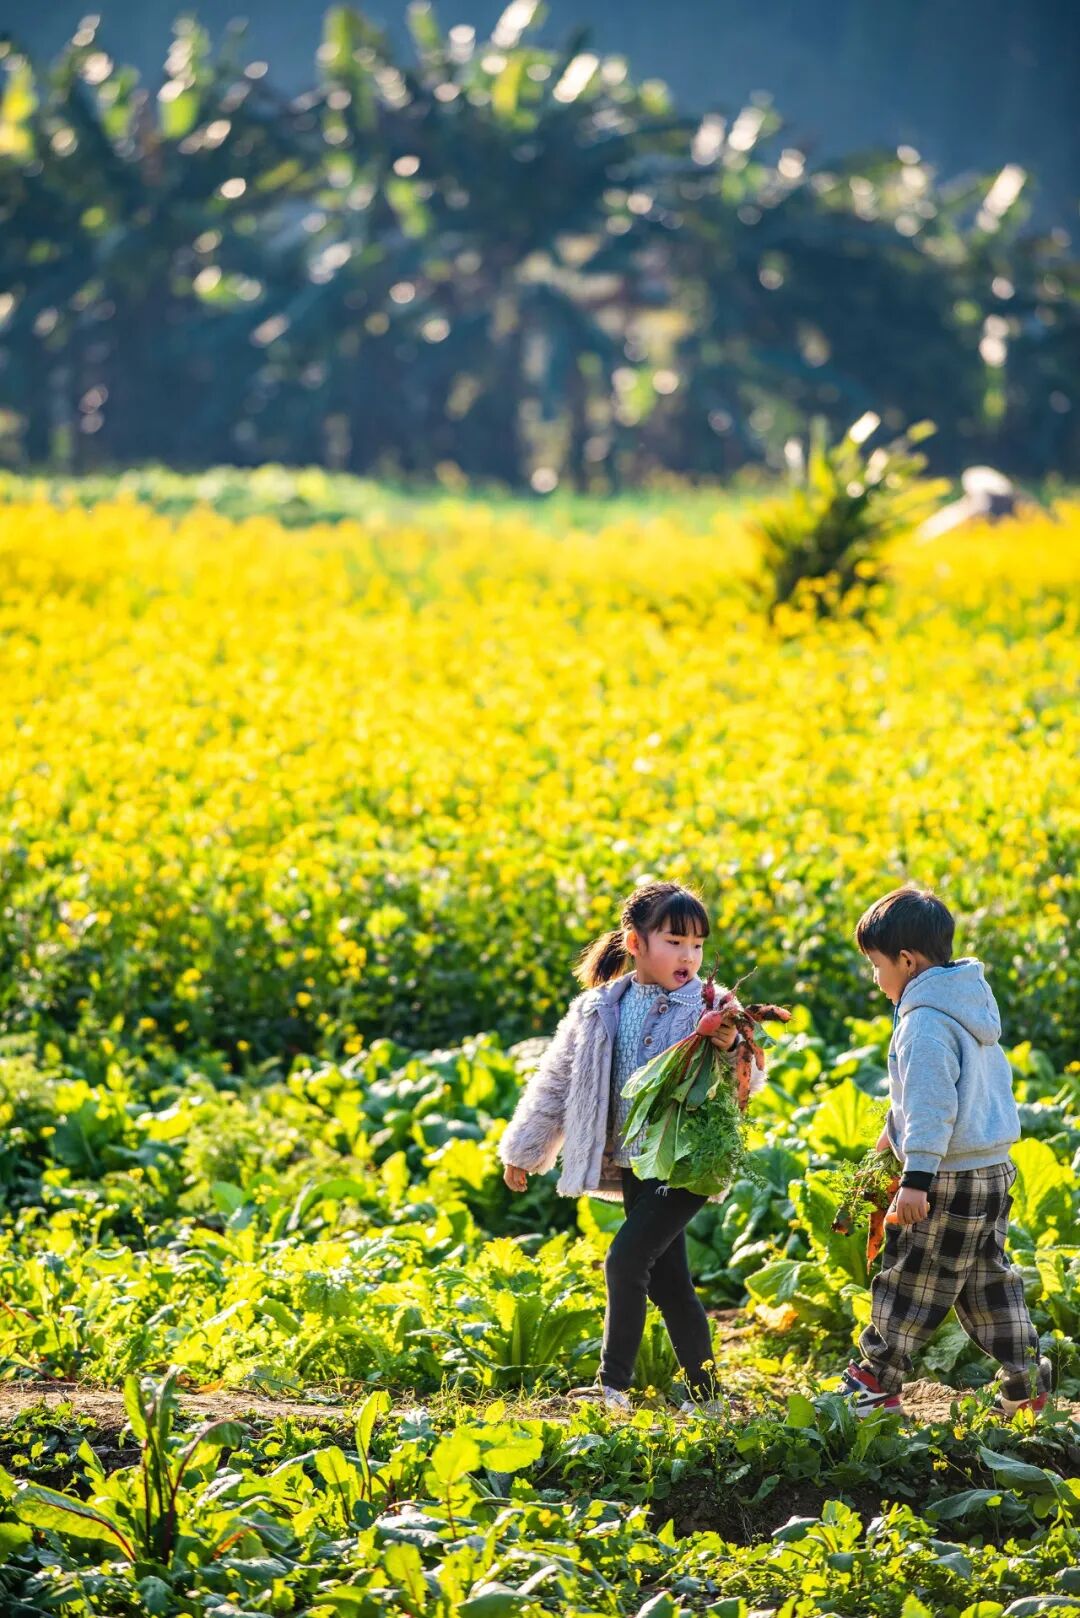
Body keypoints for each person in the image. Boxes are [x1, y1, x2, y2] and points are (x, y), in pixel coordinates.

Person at [498, 879, 762, 1416]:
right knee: (669, 1284)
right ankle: (709, 1399)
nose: (688, 956)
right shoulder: (600, 1008)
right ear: (635, 942)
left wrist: (733, 1044)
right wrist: (524, 1150)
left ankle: (610, 1388)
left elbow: (751, 1081)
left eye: (696, 945)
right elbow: (557, 1080)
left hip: (689, 1162)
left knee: (624, 1260)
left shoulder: (714, 1005)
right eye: (674, 942)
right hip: (638, 1161)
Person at [840, 884, 1052, 1418]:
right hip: (992, 1169)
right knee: (986, 1282)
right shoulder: (969, 1006)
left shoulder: (925, 1022)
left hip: (946, 1178)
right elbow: (947, 1094)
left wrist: (916, 1179)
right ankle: (1026, 1379)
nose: (875, 977)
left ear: (907, 961)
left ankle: (875, 1380)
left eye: (876, 964)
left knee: (913, 1276)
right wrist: (893, 1135)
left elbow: (934, 1106)